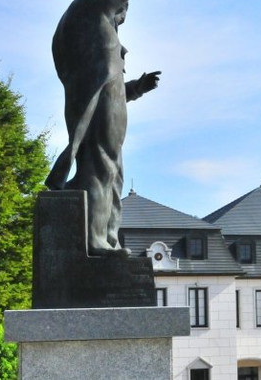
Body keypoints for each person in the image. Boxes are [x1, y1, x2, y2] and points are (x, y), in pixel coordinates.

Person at [47, 0, 160, 256]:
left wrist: (137, 88)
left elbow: (114, 93)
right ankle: (95, 238)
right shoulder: (89, 24)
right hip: (97, 111)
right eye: (122, 12)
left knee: (113, 172)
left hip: (110, 114)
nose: (123, 17)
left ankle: (109, 236)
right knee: (99, 166)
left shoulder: (100, 35)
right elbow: (92, 88)